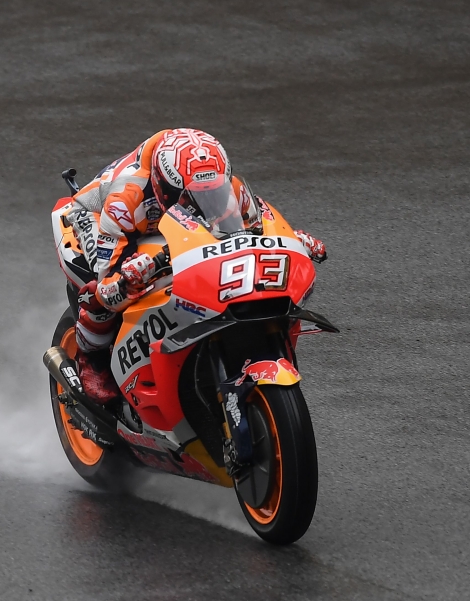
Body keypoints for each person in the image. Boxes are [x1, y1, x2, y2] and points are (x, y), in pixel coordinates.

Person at [67, 128, 327, 404]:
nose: (202, 202)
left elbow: (256, 230)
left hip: (166, 225)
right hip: (99, 218)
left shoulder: (228, 188)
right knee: (109, 296)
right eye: (188, 196)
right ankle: (91, 358)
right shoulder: (126, 201)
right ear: (162, 186)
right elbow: (109, 285)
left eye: (211, 193)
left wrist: (292, 239)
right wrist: (125, 279)